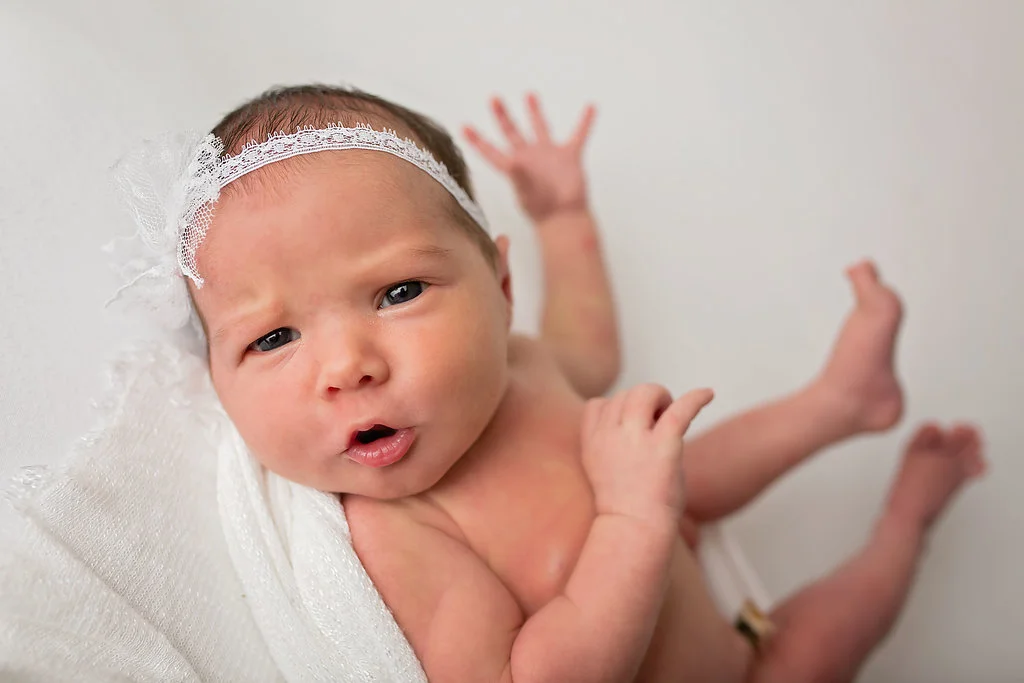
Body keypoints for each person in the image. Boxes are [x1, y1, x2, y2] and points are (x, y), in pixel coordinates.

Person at [187, 84, 985, 682]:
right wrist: (633, 514)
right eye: (273, 337)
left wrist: (564, 222)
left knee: (672, 462)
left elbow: (590, 348)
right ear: (216, 379)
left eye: (398, 292)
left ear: (500, 291)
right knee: (806, 641)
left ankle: (839, 404)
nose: (346, 365)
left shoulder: (522, 368)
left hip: (688, 568)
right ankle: (903, 529)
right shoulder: (403, 529)